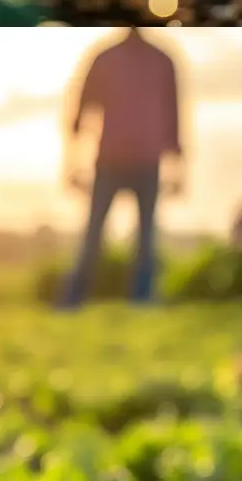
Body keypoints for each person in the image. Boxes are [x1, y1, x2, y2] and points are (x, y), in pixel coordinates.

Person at [59, 28, 185, 307]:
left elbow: (174, 114)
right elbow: (80, 113)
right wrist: (72, 163)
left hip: (146, 159)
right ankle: (74, 297)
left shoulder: (161, 60)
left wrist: (179, 169)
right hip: (111, 158)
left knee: (146, 236)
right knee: (94, 232)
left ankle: (142, 298)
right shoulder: (107, 57)